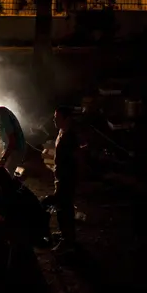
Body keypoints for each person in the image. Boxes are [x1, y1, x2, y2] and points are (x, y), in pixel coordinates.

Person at [42, 106, 81, 253]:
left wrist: (72, 177)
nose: (54, 120)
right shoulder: (61, 131)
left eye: (57, 118)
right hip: (60, 177)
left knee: (63, 209)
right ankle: (66, 236)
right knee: (62, 208)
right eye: (54, 117)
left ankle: (68, 241)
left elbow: (77, 158)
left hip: (66, 178)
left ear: (67, 119)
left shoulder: (70, 137)